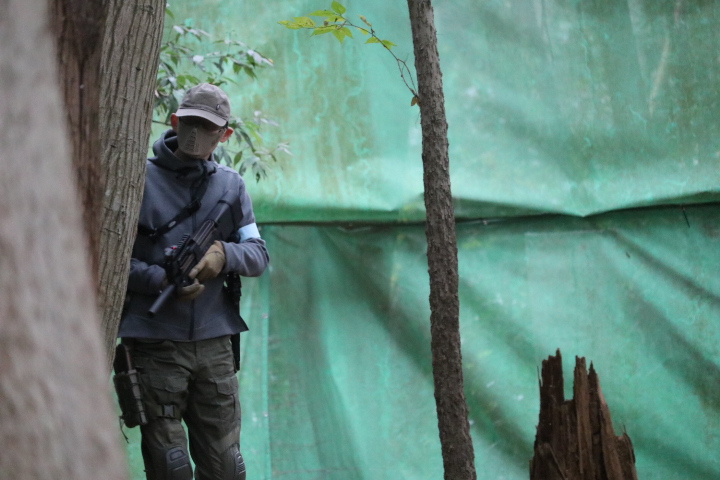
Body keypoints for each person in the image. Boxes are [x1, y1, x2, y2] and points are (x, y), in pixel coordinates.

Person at [118, 83, 269, 480]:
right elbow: (110, 263)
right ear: (174, 121)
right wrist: (158, 279)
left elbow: (258, 254)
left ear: (225, 135)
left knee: (227, 468)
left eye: (207, 127)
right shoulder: (136, 178)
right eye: (189, 122)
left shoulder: (231, 186)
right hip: (155, 343)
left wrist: (224, 255)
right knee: (171, 468)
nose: (195, 133)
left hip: (215, 343)